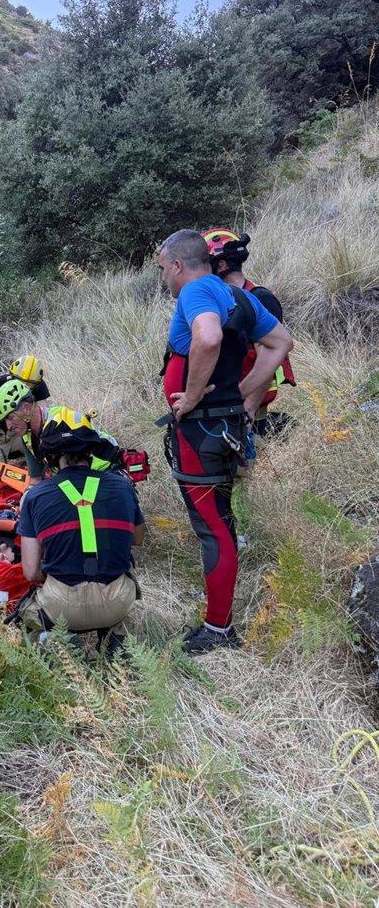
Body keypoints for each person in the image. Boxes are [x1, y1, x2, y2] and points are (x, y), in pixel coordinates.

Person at [157, 229, 294, 654]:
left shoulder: (195, 292)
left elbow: (209, 337)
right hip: (226, 426)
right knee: (221, 522)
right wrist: (245, 396)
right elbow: (280, 343)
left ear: (178, 265)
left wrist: (195, 395)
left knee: (213, 529)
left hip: (200, 431)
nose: (163, 277)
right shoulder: (236, 294)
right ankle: (219, 618)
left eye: (163, 269)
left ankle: (218, 629)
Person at [16, 408, 145, 658]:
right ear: (91, 449)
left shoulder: (35, 497)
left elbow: (30, 572)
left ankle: (55, 640)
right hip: (117, 600)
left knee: (28, 612)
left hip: (61, 605)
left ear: (50, 455)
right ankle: (115, 635)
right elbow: (138, 539)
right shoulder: (122, 486)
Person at [202, 228, 296, 441]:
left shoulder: (260, 300)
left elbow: (268, 359)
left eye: (205, 265)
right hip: (230, 403)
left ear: (222, 265)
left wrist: (248, 409)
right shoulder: (224, 301)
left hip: (248, 407)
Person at [0, 355, 51, 463]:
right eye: (18, 381)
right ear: (9, 375)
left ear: (37, 383)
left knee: (47, 456)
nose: (21, 387)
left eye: (29, 385)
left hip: (23, 434)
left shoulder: (39, 386)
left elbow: (45, 420)